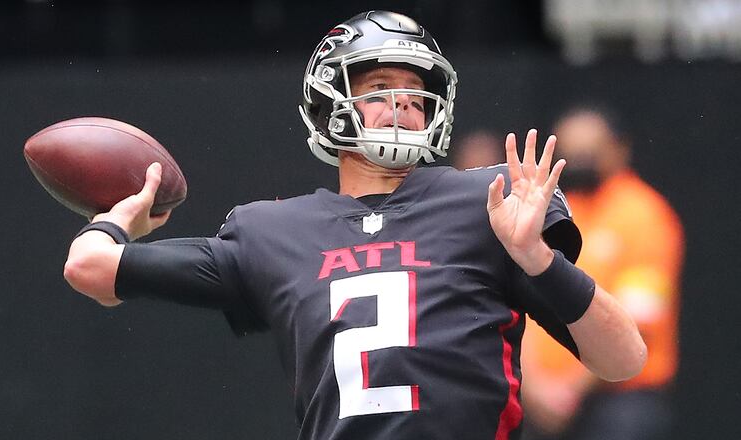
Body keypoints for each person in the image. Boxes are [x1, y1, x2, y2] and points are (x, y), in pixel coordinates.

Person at [62, 11, 646, 440]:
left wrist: (537, 259)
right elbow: (90, 267)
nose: (403, 106)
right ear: (329, 103)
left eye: (416, 96)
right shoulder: (274, 232)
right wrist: (120, 217)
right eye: (379, 90)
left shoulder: (488, 201)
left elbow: (624, 359)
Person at [520, 105, 684, 440]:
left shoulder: (643, 214)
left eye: (589, 151)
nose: (578, 161)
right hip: (540, 404)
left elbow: (642, 316)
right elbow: (521, 299)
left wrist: (570, 390)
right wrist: (534, 386)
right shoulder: (553, 210)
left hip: (619, 403)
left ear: (619, 148)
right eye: (570, 151)